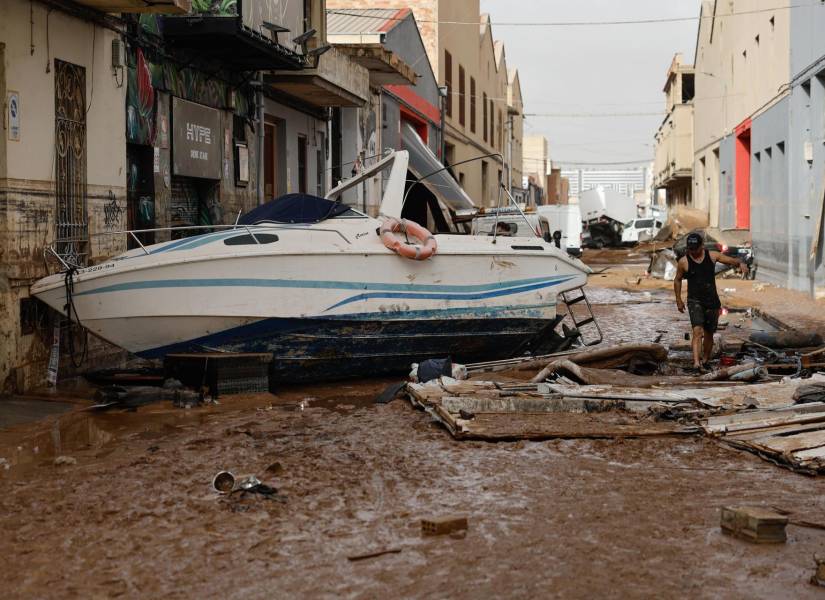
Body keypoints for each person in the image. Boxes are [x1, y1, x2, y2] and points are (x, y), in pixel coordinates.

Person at [674, 232, 749, 372]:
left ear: (702, 246)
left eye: (695, 249)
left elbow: (731, 260)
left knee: (709, 333)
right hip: (694, 300)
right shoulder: (683, 262)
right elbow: (677, 279)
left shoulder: (712, 256)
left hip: (712, 301)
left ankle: (705, 360)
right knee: (697, 331)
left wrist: (741, 263)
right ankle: (696, 363)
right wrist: (678, 299)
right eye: (690, 249)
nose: (693, 252)